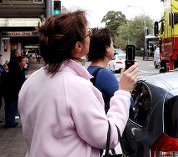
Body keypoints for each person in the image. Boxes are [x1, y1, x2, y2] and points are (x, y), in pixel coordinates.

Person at [18, 10, 139, 157]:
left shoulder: (31, 81)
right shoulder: (77, 87)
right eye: (87, 32)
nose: (89, 36)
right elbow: (108, 137)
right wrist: (124, 92)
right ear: (78, 46)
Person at [86, 27, 120, 111]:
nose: (114, 48)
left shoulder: (89, 70)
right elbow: (128, 103)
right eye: (112, 45)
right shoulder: (104, 74)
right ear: (106, 49)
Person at [3, 54, 27, 128]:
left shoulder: (14, 69)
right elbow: (20, 82)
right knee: (12, 106)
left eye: (25, 61)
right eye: (23, 61)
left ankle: (8, 121)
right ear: (19, 62)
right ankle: (10, 122)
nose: (25, 63)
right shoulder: (18, 71)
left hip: (7, 90)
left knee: (8, 106)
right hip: (11, 91)